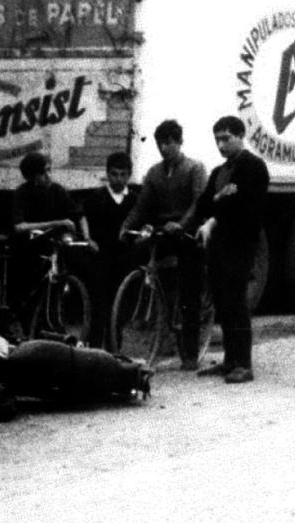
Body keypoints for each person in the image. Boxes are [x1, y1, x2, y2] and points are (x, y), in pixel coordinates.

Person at [186, 116, 269, 384]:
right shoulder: (220, 172)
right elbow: (204, 204)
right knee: (223, 301)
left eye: (226, 138)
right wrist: (221, 197)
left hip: (241, 243)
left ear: (240, 136)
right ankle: (230, 359)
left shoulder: (254, 167)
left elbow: (245, 206)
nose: (221, 145)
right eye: (217, 139)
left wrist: (217, 207)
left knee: (237, 301)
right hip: (220, 244)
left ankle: (243, 364)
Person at [120, 119, 208, 370]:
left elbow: (198, 203)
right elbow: (142, 206)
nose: (165, 147)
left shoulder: (194, 168)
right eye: (161, 143)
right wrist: (126, 226)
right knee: (136, 255)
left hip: (186, 235)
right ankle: (131, 317)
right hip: (162, 233)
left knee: (190, 291)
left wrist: (182, 224)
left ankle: (190, 354)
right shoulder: (154, 173)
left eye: (170, 142)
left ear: (180, 142)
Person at [8, 151, 90, 314]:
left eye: (49, 170)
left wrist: (87, 238)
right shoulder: (22, 193)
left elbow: (79, 216)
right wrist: (56, 223)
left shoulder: (57, 190)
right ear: (32, 176)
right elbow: (19, 226)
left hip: (53, 245)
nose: (48, 176)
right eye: (43, 172)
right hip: (29, 246)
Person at [83, 151, 138, 349]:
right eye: (114, 174)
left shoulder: (133, 199)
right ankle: (95, 351)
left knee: (119, 308)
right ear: (107, 174)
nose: (118, 179)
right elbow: (84, 219)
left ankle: (114, 350)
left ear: (129, 175)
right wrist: (89, 239)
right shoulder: (97, 197)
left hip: (123, 260)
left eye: (123, 174)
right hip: (100, 259)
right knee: (99, 307)